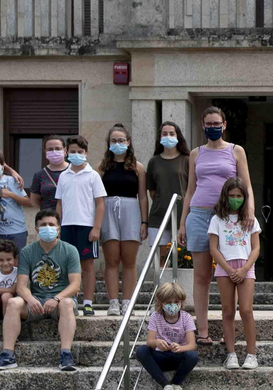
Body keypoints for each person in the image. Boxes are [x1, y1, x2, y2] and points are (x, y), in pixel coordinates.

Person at [184, 106, 254, 348]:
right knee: (201, 275)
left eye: (217, 123)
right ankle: (202, 330)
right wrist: (184, 222)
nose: (212, 127)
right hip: (199, 214)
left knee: (230, 273)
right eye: (208, 124)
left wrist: (250, 212)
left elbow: (246, 185)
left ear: (224, 125)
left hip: (228, 218)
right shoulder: (195, 153)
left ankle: (230, 332)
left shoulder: (236, 151)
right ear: (202, 125)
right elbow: (190, 190)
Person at [0, 208, 78, 372]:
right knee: (13, 302)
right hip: (35, 302)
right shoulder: (27, 252)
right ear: (37, 229)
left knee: (67, 304)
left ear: (59, 228)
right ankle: (7, 354)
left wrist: (56, 299)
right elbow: (21, 286)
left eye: (51, 224)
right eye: (43, 225)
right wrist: (31, 299)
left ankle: (66, 354)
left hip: (59, 302)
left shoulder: (70, 250)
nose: (48, 227)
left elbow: (75, 285)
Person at [208, 176, 261, 370]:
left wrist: (245, 268)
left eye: (239, 196)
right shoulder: (217, 219)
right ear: (225, 196)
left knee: (246, 310)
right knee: (228, 311)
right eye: (232, 195)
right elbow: (214, 248)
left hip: (246, 267)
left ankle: (251, 354)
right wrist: (229, 270)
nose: (235, 199)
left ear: (244, 197)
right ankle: (231, 354)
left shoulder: (250, 219)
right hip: (225, 268)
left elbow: (256, 248)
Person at [98, 123, 148, 315]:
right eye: (114, 140)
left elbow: (143, 196)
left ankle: (127, 301)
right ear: (108, 143)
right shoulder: (102, 168)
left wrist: (144, 221)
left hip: (131, 212)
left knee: (129, 260)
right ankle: (113, 302)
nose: (117, 143)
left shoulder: (138, 167)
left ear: (128, 142)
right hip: (108, 211)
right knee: (111, 260)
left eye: (121, 140)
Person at [53, 136, 107, 315]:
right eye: (73, 152)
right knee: (68, 265)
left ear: (86, 153)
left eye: (80, 152)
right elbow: (59, 204)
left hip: (86, 227)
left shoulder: (93, 176)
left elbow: (100, 204)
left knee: (87, 265)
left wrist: (96, 227)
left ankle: (88, 302)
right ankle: (70, 300)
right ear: (67, 152)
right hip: (67, 226)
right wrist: (57, 227)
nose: (76, 155)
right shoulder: (63, 176)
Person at [132, 280, 198, 390]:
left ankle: (176, 384)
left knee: (193, 356)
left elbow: (192, 345)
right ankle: (166, 385)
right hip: (160, 356)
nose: (172, 305)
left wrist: (181, 348)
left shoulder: (186, 318)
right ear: (161, 303)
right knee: (141, 351)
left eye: (176, 302)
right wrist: (157, 342)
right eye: (168, 302)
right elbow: (150, 341)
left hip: (178, 357)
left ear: (181, 302)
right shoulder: (155, 317)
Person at [146, 121, 189, 265]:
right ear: (159, 137)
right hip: (159, 217)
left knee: (184, 261)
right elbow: (151, 190)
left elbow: (192, 188)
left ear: (178, 136)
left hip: (182, 218)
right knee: (161, 262)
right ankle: (162, 289)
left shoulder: (187, 160)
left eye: (172, 133)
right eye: (165, 134)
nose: (168, 136)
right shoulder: (154, 162)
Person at [0, 147, 29, 251]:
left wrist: (11, 195)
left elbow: (28, 202)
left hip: (16, 230)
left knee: (17, 260)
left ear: (3, 166)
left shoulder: (12, 180)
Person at [26, 136, 71, 212]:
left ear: (65, 150)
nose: (54, 152)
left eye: (58, 149)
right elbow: (34, 201)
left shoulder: (74, 171)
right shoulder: (39, 175)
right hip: (49, 220)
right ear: (45, 151)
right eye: (50, 149)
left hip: (72, 218)